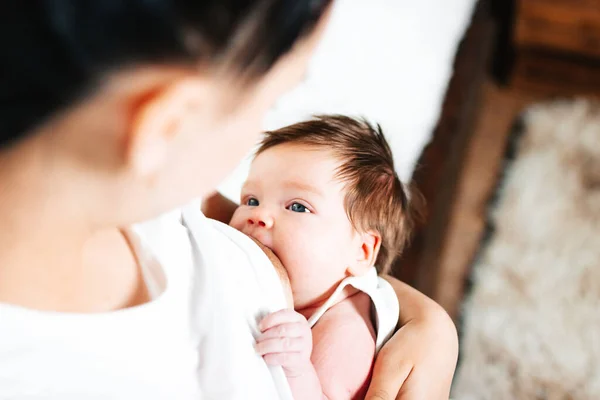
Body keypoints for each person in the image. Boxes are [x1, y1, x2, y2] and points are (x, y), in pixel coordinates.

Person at [0, 1, 457, 399]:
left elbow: (333, 257)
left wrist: (429, 322)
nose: (256, 217)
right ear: (168, 124)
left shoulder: (149, 195)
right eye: (271, 99)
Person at [227, 115, 415, 399]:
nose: (258, 216)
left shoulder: (346, 328)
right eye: (251, 200)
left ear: (361, 252)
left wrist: (296, 370)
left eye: (298, 207)